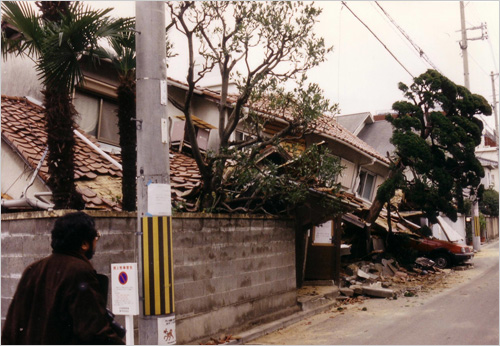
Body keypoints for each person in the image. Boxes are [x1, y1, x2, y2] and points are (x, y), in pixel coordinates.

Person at [1, 212, 125, 345]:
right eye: (96, 237)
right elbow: (94, 330)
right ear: (84, 244)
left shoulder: (33, 269)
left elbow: (12, 326)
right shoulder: (79, 271)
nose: (96, 241)